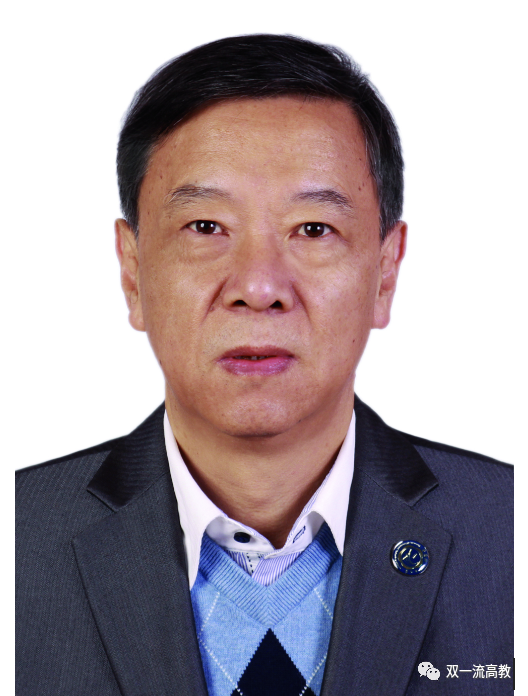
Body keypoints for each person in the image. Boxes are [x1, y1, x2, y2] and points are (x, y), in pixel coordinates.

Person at [16, 34, 513, 696]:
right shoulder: (18, 540)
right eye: (206, 227)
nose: (258, 286)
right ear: (133, 272)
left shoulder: (508, 532)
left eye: (313, 229)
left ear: (386, 272)